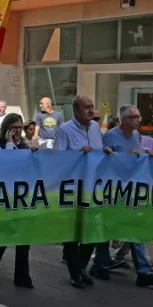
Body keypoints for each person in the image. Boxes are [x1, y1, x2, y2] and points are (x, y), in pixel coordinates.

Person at [100, 105, 153, 288]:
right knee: (108, 230)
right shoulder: (110, 136)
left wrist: (146, 154)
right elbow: (103, 163)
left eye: (139, 117)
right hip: (114, 191)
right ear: (123, 120)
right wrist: (121, 157)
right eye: (134, 117)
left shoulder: (137, 137)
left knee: (136, 230)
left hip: (132, 190)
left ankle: (144, 272)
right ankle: (100, 263)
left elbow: (137, 158)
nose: (138, 120)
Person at [55, 94, 113, 289]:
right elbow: (58, 159)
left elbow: (99, 151)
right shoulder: (64, 130)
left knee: (92, 232)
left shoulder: (96, 128)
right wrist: (78, 153)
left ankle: (80, 268)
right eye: (86, 107)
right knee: (72, 233)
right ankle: (75, 273)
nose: (91, 110)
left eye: (92, 106)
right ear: (75, 111)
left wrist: (106, 151)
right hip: (73, 188)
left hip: (93, 187)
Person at [0, 113, 35, 289]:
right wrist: (10, 144)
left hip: (21, 196)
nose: (18, 131)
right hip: (4, 197)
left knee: (23, 238)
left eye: (20, 127)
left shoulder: (23, 145)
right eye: (14, 127)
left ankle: (22, 276)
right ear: (7, 128)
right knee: (2, 236)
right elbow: (4, 166)